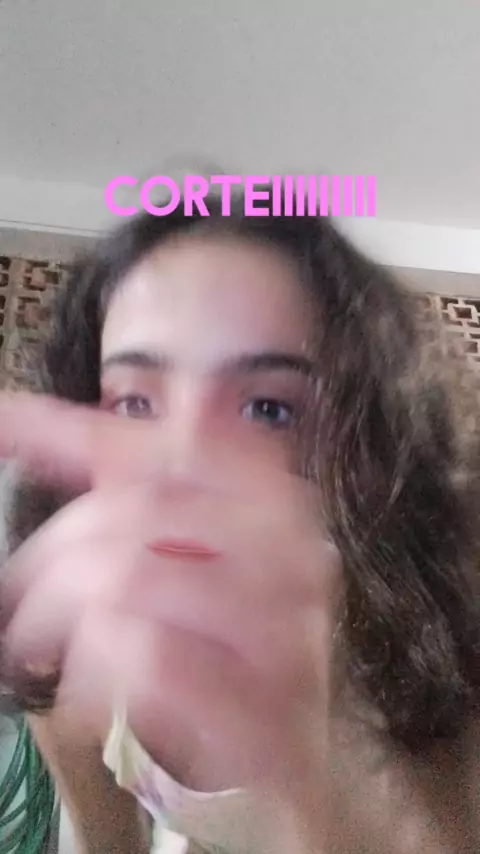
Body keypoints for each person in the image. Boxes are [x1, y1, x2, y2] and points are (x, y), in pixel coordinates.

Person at [0, 191, 479, 853]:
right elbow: (104, 843)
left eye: (268, 410)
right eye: (135, 403)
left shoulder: (438, 690)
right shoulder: (72, 644)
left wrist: (303, 785)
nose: (180, 466)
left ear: (358, 455)